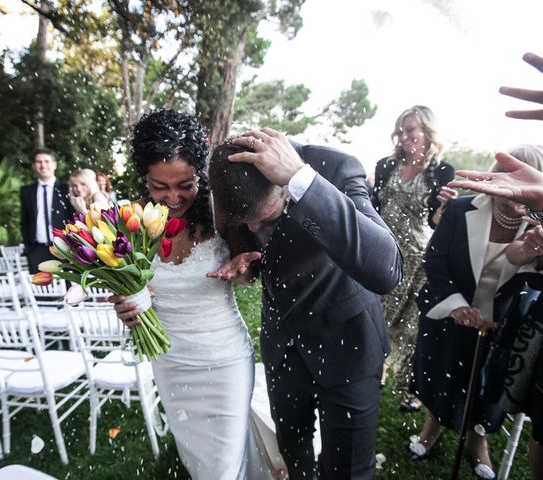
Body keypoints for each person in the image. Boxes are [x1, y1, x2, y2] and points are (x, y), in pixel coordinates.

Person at [207, 129, 403, 479]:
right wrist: (246, 268)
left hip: (348, 346)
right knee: (293, 454)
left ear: (283, 183)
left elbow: (386, 269)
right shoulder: (231, 179)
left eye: (263, 219)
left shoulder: (336, 167)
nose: (253, 227)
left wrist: (303, 180)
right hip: (283, 345)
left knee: (348, 469)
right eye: (245, 221)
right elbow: (256, 253)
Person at [110, 109, 273, 480]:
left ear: (201, 172)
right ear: (144, 179)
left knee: (221, 471)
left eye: (185, 184)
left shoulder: (222, 211)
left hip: (224, 360)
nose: (172, 197)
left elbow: (248, 274)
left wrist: (243, 270)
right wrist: (127, 306)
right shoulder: (131, 223)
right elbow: (130, 288)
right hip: (170, 364)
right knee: (201, 464)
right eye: (159, 186)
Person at [410, 146, 543, 480]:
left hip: (506, 322)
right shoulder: (458, 208)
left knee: (489, 383)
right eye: (505, 177)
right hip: (452, 309)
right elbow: (435, 262)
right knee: (444, 373)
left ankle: (478, 439)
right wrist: (456, 306)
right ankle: (433, 426)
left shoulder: (539, 225)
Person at [371, 105, 456, 411]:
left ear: (427, 132)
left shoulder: (442, 171)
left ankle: (409, 386)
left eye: (412, 130)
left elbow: (436, 222)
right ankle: (375, 371)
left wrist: (445, 210)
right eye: (402, 130)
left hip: (417, 257)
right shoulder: (385, 166)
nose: (405, 136)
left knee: (410, 326)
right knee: (376, 315)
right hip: (382, 251)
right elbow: (373, 208)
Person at [20, 148, 73, 274]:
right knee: (41, 291)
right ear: (33, 166)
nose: (43, 165)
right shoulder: (27, 191)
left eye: (46, 161)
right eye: (39, 162)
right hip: (37, 249)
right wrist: (29, 246)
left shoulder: (67, 189)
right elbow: (25, 220)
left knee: (67, 289)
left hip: (64, 247)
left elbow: (72, 217)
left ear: (54, 164)